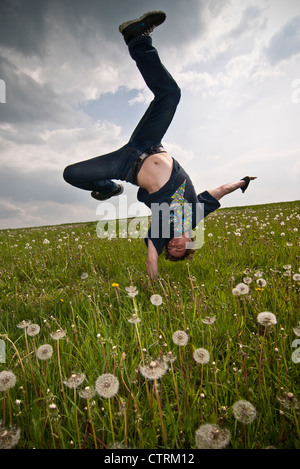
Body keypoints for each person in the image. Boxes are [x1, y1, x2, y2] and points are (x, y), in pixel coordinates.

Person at [63, 11, 256, 279]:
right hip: (150, 143)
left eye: (172, 250)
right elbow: (221, 190)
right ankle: (137, 38)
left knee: (70, 174)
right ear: (191, 243)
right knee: (170, 94)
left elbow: (151, 259)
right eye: (180, 249)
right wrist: (243, 182)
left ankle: (108, 189)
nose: (174, 246)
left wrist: (155, 292)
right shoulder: (196, 214)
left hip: (126, 165)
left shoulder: (161, 231)